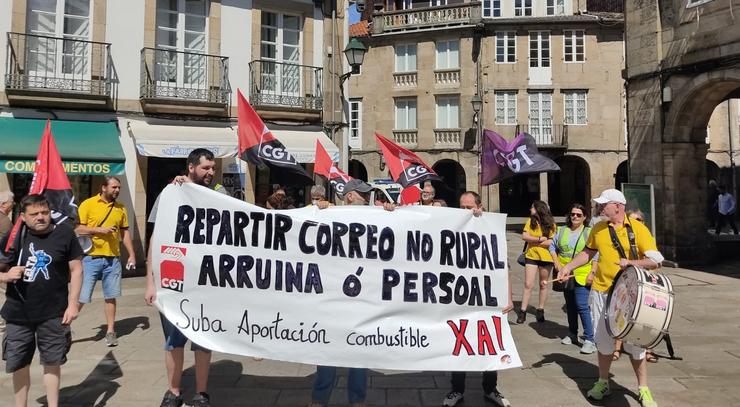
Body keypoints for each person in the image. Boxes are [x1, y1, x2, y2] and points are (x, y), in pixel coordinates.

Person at [558, 189, 664, 407]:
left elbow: (656, 260)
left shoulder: (638, 228)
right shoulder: (598, 228)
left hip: (630, 294)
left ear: (618, 206)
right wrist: (567, 266)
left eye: (604, 204)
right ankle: (603, 381)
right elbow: (587, 253)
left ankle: (643, 388)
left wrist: (631, 263)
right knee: (603, 341)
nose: (600, 207)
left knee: (636, 343)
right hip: (601, 291)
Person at [145, 148, 227, 407]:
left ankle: (201, 393)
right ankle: (174, 391)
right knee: (173, 340)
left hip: (206, 281)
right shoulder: (171, 192)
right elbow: (156, 239)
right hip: (173, 279)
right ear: (190, 167)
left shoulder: (220, 195)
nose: (211, 173)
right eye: (206, 168)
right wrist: (150, 280)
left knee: (203, 339)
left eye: (213, 168)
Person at [310, 179, 387, 407]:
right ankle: (319, 399)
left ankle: (357, 400)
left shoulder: (374, 216)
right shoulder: (330, 215)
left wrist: (391, 212)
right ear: (351, 196)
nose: (368, 198)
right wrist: (320, 210)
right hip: (333, 298)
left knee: (359, 354)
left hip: (361, 298)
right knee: (327, 353)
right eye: (364, 194)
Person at [0, 194, 83, 407]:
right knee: (18, 363)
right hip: (18, 313)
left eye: (44, 212)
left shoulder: (65, 233)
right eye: (34, 214)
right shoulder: (15, 235)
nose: (40, 217)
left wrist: (73, 303)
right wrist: (6, 276)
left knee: (53, 362)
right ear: (23, 217)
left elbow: (76, 269)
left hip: (54, 312)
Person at [442, 191, 512, 407]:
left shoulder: (490, 227)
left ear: (479, 206)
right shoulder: (451, 226)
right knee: (459, 343)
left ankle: (491, 389)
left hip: (487, 297)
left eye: (469, 207)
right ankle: (457, 390)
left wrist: (508, 298)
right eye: (461, 207)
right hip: (461, 297)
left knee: (490, 344)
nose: (465, 211)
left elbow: (502, 267)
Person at [75, 176, 136, 347]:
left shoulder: (120, 208)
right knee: (82, 296)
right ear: (103, 187)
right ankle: (64, 328)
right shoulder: (88, 204)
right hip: (91, 258)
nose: (117, 190)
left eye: (119, 188)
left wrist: (131, 254)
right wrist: (98, 230)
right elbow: (78, 228)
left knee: (111, 296)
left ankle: (110, 331)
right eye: (114, 187)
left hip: (113, 259)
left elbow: (124, 233)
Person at [549, 203, 597, 354]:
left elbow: (596, 254)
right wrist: (557, 264)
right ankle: (572, 333)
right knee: (570, 305)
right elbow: (552, 246)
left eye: (578, 215)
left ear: (585, 217)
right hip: (564, 274)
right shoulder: (562, 230)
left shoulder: (589, 232)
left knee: (582, 305)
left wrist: (593, 272)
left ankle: (590, 339)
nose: (575, 217)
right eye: (573, 214)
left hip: (583, 274)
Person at [517, 200, 555, 324]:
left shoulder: (551, 224)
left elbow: (552, 242)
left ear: (539, 209)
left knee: (543, 284)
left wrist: (533, 241)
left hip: (547, 258)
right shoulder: (530, 221)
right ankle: (522, 311)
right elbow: (524, 236)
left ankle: (540, 309)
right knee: (528, 284)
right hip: (531, 256)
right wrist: (539, 239)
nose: (530, 209)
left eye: (532, 207)